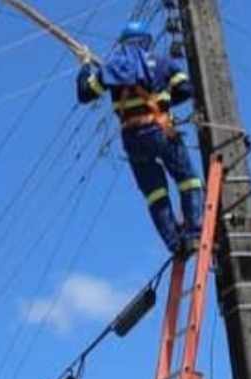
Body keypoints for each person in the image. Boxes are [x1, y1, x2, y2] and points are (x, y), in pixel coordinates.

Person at [77, 21, 204, 257]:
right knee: (189, 181)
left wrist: (85, 65)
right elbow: (186, 88)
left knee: (155, 192)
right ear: (147, 41)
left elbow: (85, 93)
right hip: (161, 130)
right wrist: (163, 105)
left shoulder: (111, 68)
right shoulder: (162, 62)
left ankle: (174, 244)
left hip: (133, 138)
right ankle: (194, 234)